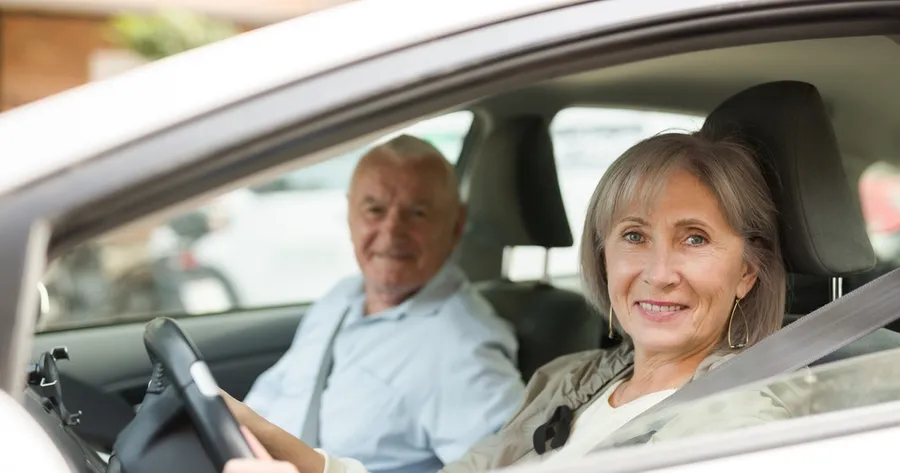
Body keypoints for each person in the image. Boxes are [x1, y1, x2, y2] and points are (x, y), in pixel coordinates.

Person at [225, 129, 804, 473]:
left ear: (748, 270)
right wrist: (284, 448)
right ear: (603, 254)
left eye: (694, 239)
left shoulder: (737, 422)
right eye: (634, 236)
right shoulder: (571, 381)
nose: (658, 272)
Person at [226, 134, 526, 473]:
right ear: (350, 215)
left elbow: (513, 467)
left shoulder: (463, 347)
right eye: (375, 210)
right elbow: (276, 393)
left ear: (455, 226)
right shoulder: (342, 297)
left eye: (417, 213)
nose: (392, 230)